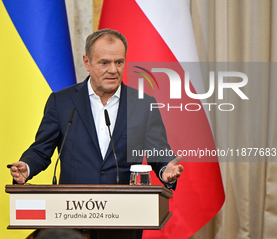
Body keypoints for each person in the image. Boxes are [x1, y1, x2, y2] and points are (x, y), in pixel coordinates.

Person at [10, 29, 183, 187]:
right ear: (87, 63)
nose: (113, 70)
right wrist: (28, 166)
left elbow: (158, 153)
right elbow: (41, 150)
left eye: (119, 62)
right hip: (72, 209)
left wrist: (165, 169)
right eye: (104, 63)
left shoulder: (143, 104)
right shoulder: (61, 102)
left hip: (125, 208)